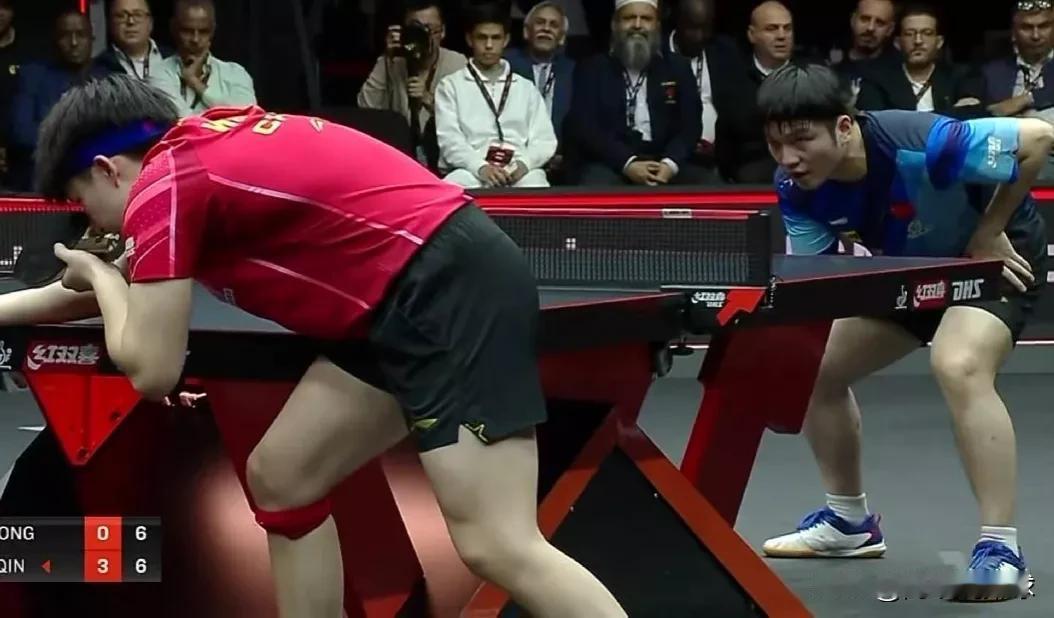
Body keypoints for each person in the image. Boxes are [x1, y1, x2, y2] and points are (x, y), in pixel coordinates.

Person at [18, 74, 626, 618]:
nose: (94, 224)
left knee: (498, 543)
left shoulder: (163, 185)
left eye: (84, 203)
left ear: (107, 169)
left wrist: (99, 276)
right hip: (398, 299)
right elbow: (77, 294)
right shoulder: (195, 157)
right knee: (284, 477)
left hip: (442, 291)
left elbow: (152, 370)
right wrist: (91, 280)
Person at [757, 62, 1050, 601]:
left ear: (844, 127)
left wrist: (989, 230)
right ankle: (849, 523)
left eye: (801, 140)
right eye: (776, 144)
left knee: (958, 363)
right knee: (814, 367)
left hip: (991, 260)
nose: (788, 158)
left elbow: (1037, 138)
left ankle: (1000, 548)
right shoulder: (796, 189)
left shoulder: (925, 144)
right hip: (910, 266)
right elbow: (817, 278)